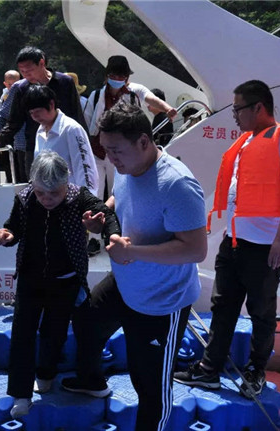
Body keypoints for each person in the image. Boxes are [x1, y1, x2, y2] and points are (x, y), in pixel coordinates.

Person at [62, 104, 207, 431]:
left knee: (150, 386)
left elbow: (196, 249)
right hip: (126, 282)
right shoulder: (128, 167)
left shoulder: (177, 184)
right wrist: (101, 216)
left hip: (161, 301)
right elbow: (119, 198)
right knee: (87, 321)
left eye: (115, 150)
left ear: (143, 141)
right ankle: (91, 380)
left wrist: (134, 252)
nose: (109, 158)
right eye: (105, 150)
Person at [174, 80, 280, 397]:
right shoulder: (246, 141)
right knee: (223, 306)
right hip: (234, 241)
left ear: (258, 107)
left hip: (266, 246)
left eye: (238, 109)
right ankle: (209, 369)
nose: (234, 116)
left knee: (261, 311)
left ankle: (255, 370)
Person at [0, 151, 120, 418]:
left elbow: (106, 213)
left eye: (54, 193)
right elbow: (14, 228)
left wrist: (111, 234)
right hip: (30, 278)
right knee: (22, 334)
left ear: (66, 183)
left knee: (54, 332)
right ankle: (21, 394)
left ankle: (46, 374)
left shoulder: (79, 197)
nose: (47, 199)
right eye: (41, 193)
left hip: (65, 280)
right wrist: (6, 235)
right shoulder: (26, 198)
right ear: (32, 185)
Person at [84, 56, 177, 256]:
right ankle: (93, 239)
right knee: (96, 193)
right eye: (114, 76)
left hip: (123, 154)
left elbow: (148, 99)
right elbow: (87, 123)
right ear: (107, 76)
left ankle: (115, 235)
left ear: (127, 78)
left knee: (120, 193)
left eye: (122, 76)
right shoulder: (96, 96)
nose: (118, 80)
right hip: (98, 151)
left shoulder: (133, 93)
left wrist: (167, 108)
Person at [0, 46, 86, 179]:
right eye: (22, 71)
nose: (26, 75)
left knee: (69, 184)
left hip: (65, 144)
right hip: (34, 147)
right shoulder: (21, 88)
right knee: (37, 186)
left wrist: (84, 144)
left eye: (29, 70)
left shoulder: (65, 82)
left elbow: (76, 115)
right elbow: (14, 121)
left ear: (42, 63)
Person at [25, 84, 98, 195]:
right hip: (48, 198)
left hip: (71, 197)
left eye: (38, 111)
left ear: (51, 104)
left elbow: (85, 168)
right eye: (31, 113)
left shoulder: (71, 129)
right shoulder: (40, 131)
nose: (35, 116)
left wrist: (87, 198)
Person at [0, 69, 27, 183]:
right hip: (7, 137)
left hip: (23, 139)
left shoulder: (23, 90)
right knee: (11, 174)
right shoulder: (4, 97)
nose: (12, 87)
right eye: (9, 84)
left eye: (15, 84)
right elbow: (0, 115)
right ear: (5, 83)